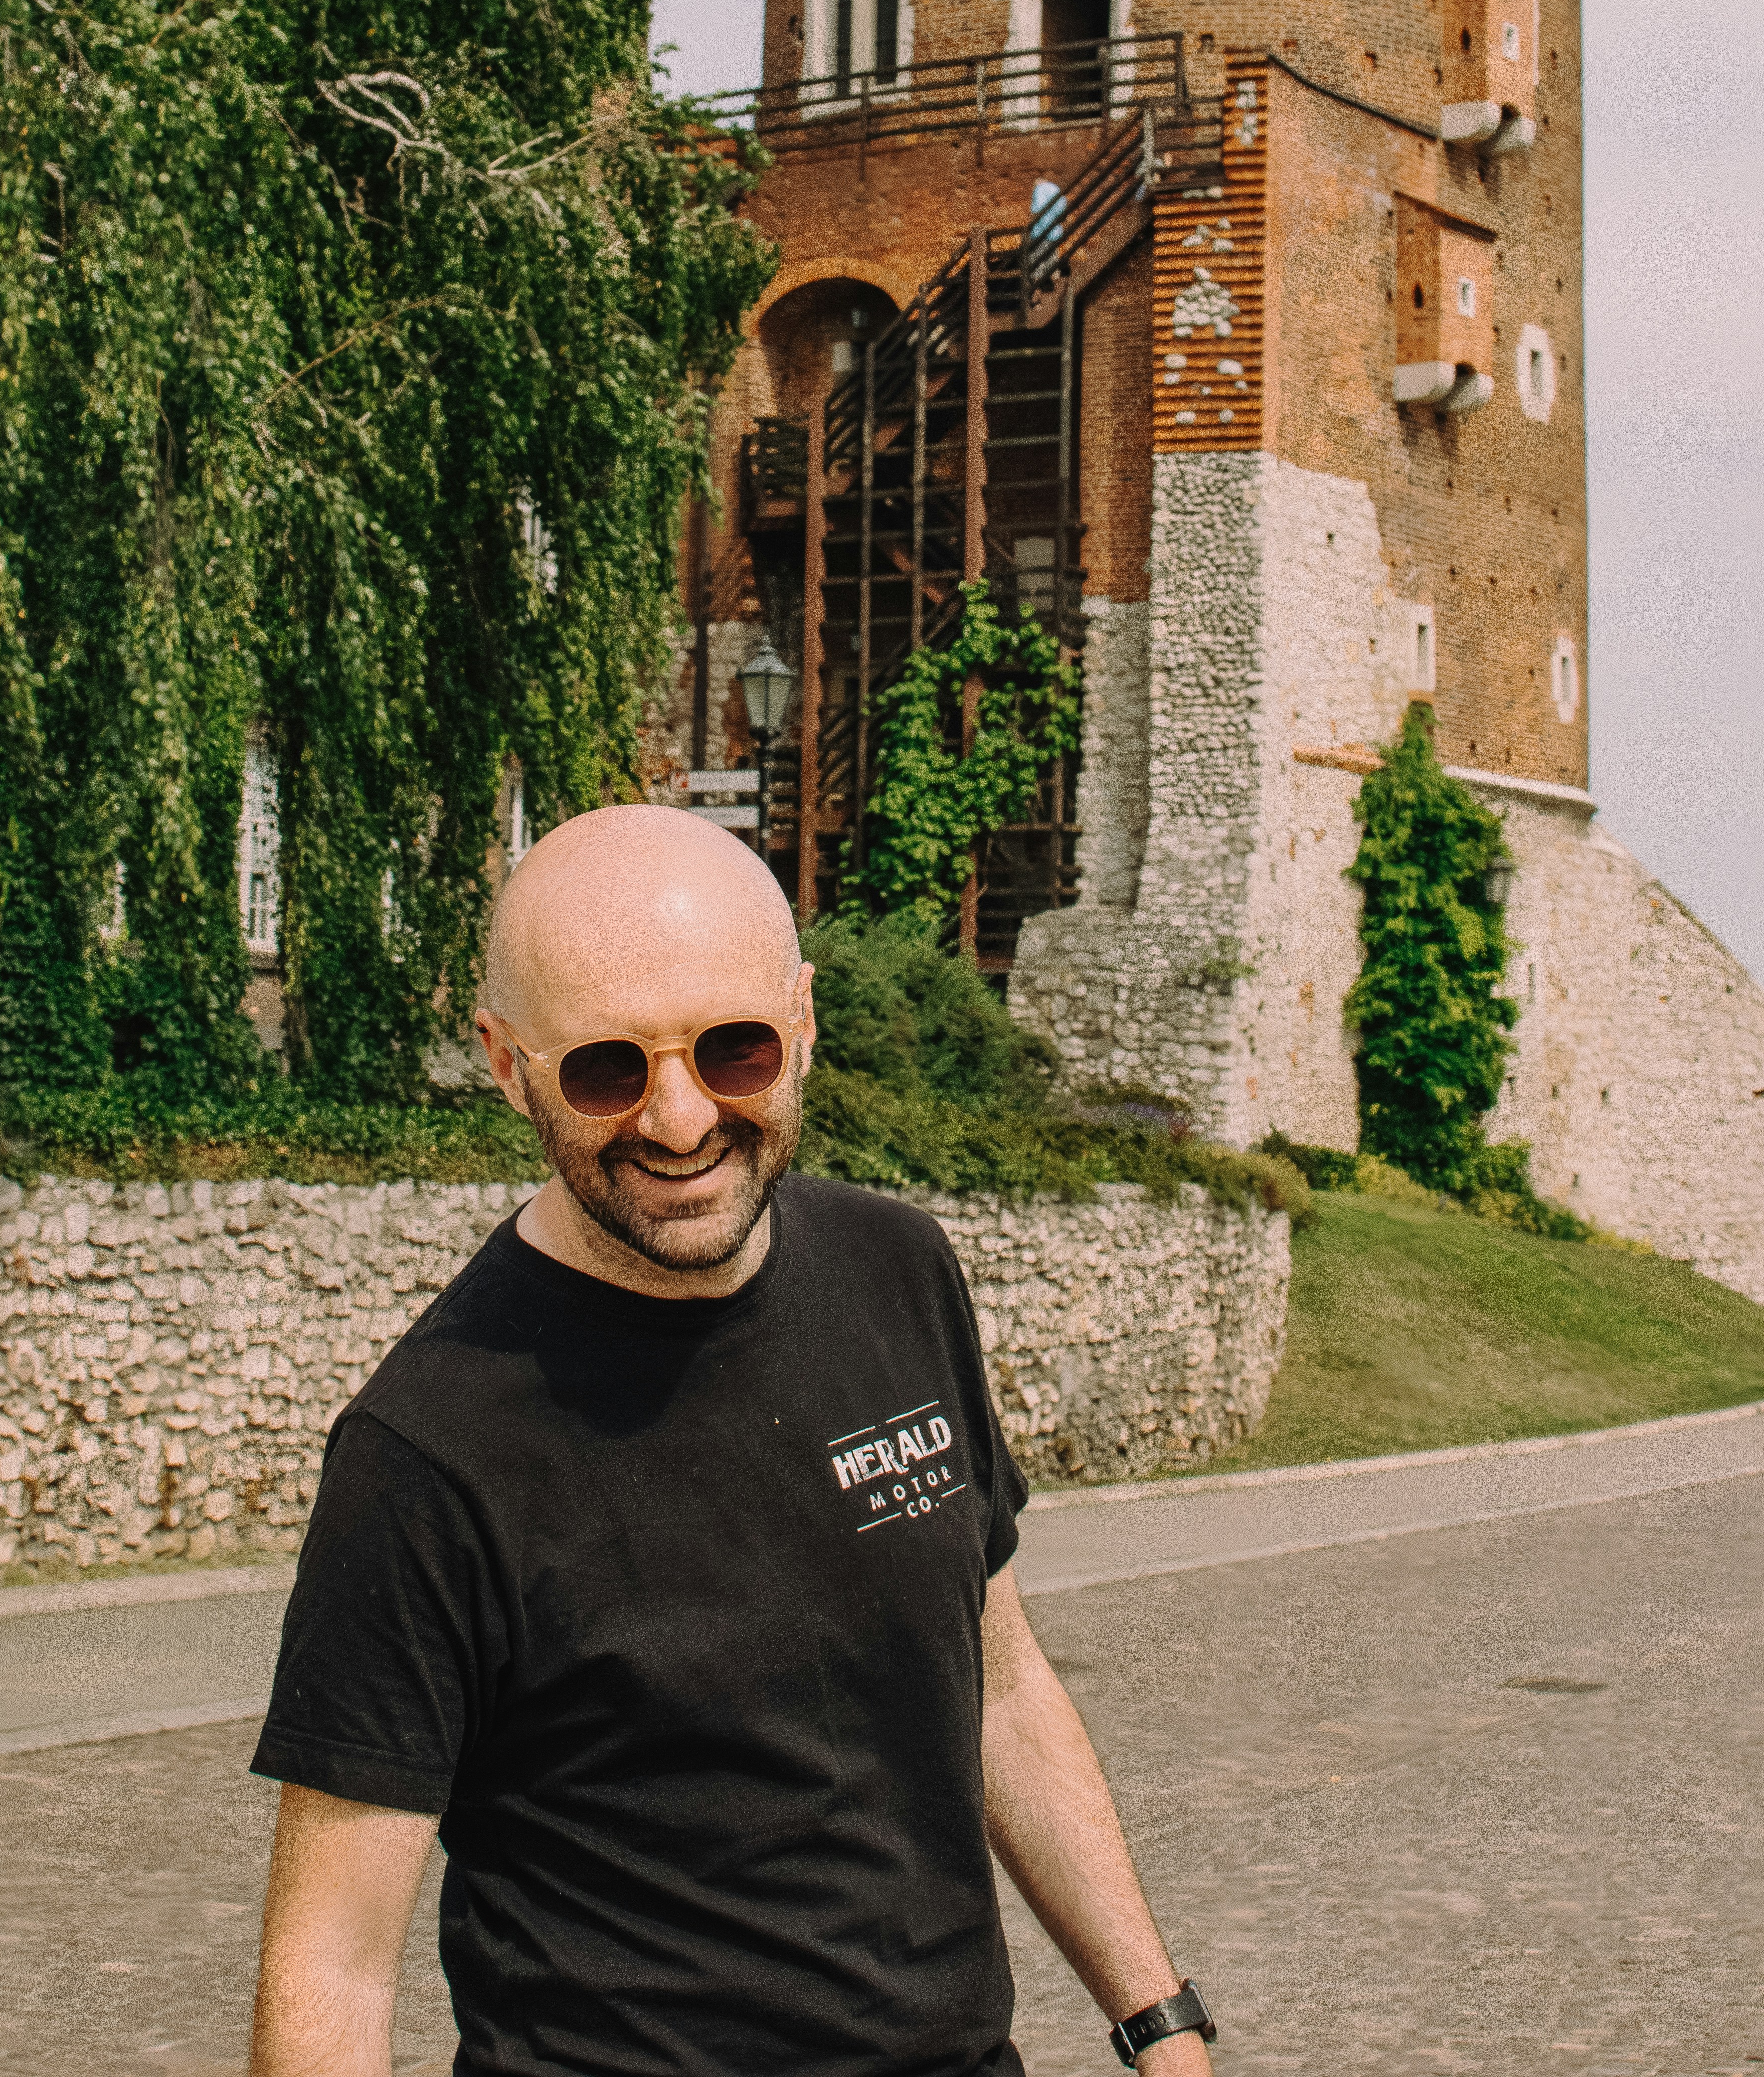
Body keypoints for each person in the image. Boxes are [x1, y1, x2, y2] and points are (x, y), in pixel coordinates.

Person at [247, 804, 1217, 2077]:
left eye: (734, 1050)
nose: (677, 1117)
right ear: (504, 1061)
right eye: (603, 1068)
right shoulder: (426, 1451)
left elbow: (1005, 1690)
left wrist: (1158, 2024)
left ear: (801, 1022)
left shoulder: (898, 1271)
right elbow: (331, 1963)